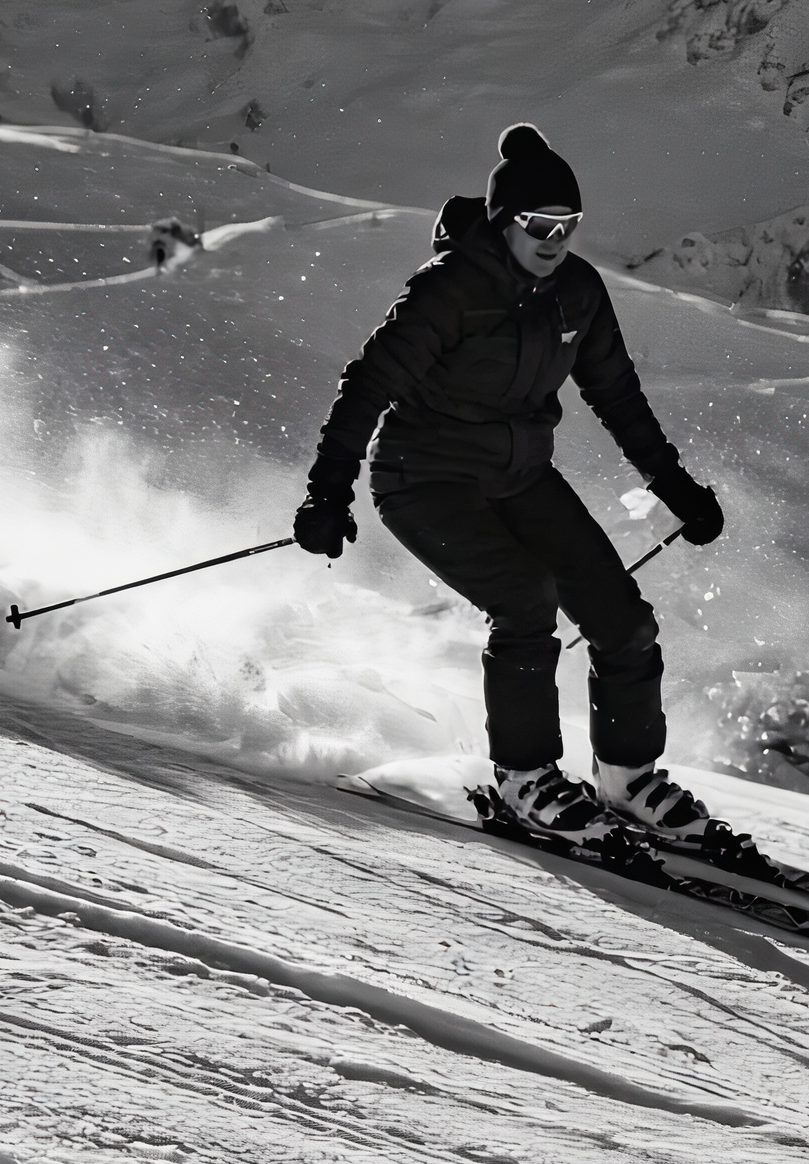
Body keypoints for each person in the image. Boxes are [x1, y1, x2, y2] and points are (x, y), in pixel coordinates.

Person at [300, 124, 728, 843]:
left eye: (569, 225)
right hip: (423, 476)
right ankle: (524, 777)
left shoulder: (579, 294)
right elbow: (369, 385)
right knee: (526, 601)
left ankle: (628, 779)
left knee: (622, 616)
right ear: (503, 223)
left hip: (521, 475)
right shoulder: (450, 290)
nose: (555, 238)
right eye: (538, 223)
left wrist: (674, 487)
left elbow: (617, 396)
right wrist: (327, 491)